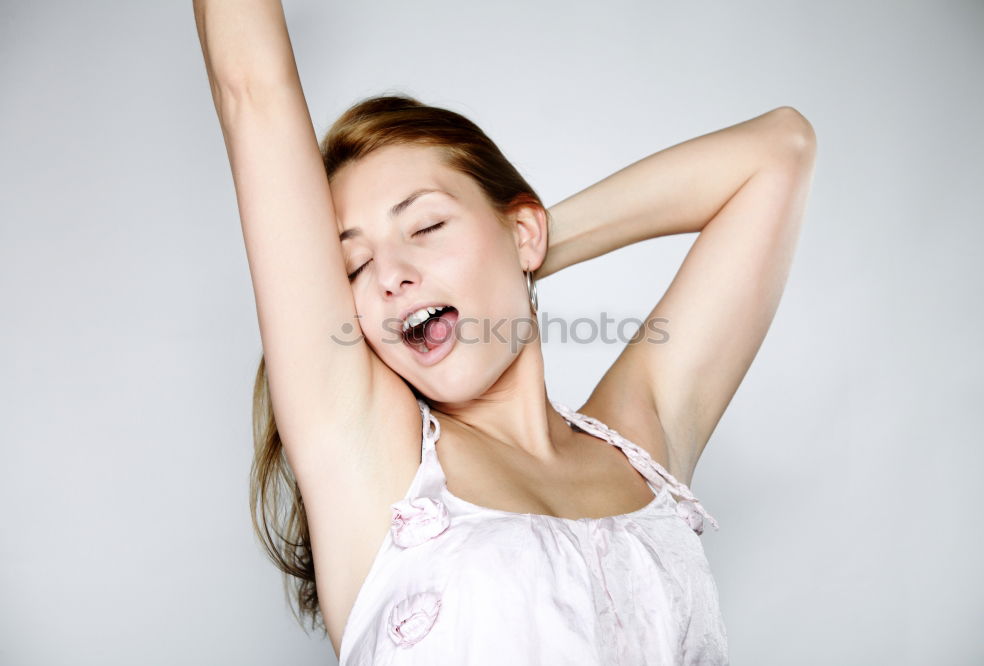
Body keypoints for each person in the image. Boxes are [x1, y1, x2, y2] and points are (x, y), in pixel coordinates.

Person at [193, 1, 816, 663]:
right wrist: (503, 257)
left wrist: (530, 248)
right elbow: (251, 90)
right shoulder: (374, 459)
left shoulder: (642, 442)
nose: (391, 275)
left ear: (522, 229)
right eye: (353, 265)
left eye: (427, 228)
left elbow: (779, 149)